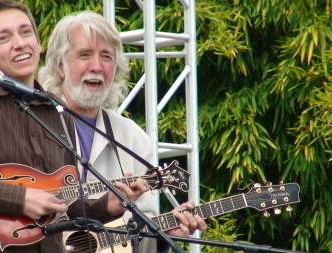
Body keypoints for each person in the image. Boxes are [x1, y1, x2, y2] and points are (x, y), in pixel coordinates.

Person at [0, 1, 149, 252]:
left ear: (39, 43)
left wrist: (106, 206)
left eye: (26, 32)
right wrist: (18, 199)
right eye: (4, 37)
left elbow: (61, 202)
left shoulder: (57, 111)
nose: (20, 43)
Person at [39, 10, 207, 253]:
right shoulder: (32, 123)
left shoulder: (133, 138)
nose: (96, 66)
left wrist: (165, 233)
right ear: (60, 66)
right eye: (84, 54)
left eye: (106, 56)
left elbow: (142, 241)